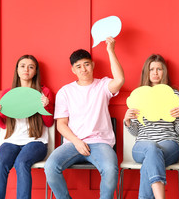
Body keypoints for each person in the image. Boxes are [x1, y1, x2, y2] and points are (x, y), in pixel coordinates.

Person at [44, 37, 125, 199]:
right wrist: (76, 141)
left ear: (92, 65)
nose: (83, 69)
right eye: (78, 66)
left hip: (100, 143)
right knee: (50, 166)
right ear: (73, 70)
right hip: (73, 143)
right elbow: (61, 124)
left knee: (110, 169)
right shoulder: (65, 92)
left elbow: (120, 80)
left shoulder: (103, 85)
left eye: (86, 64)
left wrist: (110, 50)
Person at [0, 55, 54, 199]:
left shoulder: (44, 92)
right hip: (11, 141)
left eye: (31, 67)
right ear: (17, 70)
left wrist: (46, 105)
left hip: (36, 142)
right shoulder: (8, 93)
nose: (26, 69)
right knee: (0, 163)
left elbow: (49, 123)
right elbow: (4, 124)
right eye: (22, 66)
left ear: (35, 71)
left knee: (21, 162)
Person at [123, 54, 179, 199]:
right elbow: (136, 131)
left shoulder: (174, 94)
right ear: (147, 71)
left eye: (159, 69)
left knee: (150, 158)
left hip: (169, 144)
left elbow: (178, 131)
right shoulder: (139, 95)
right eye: (152, 69)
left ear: (164, 72)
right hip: (142, 145)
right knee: (151, 148)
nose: (155, 72)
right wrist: (128, 122)